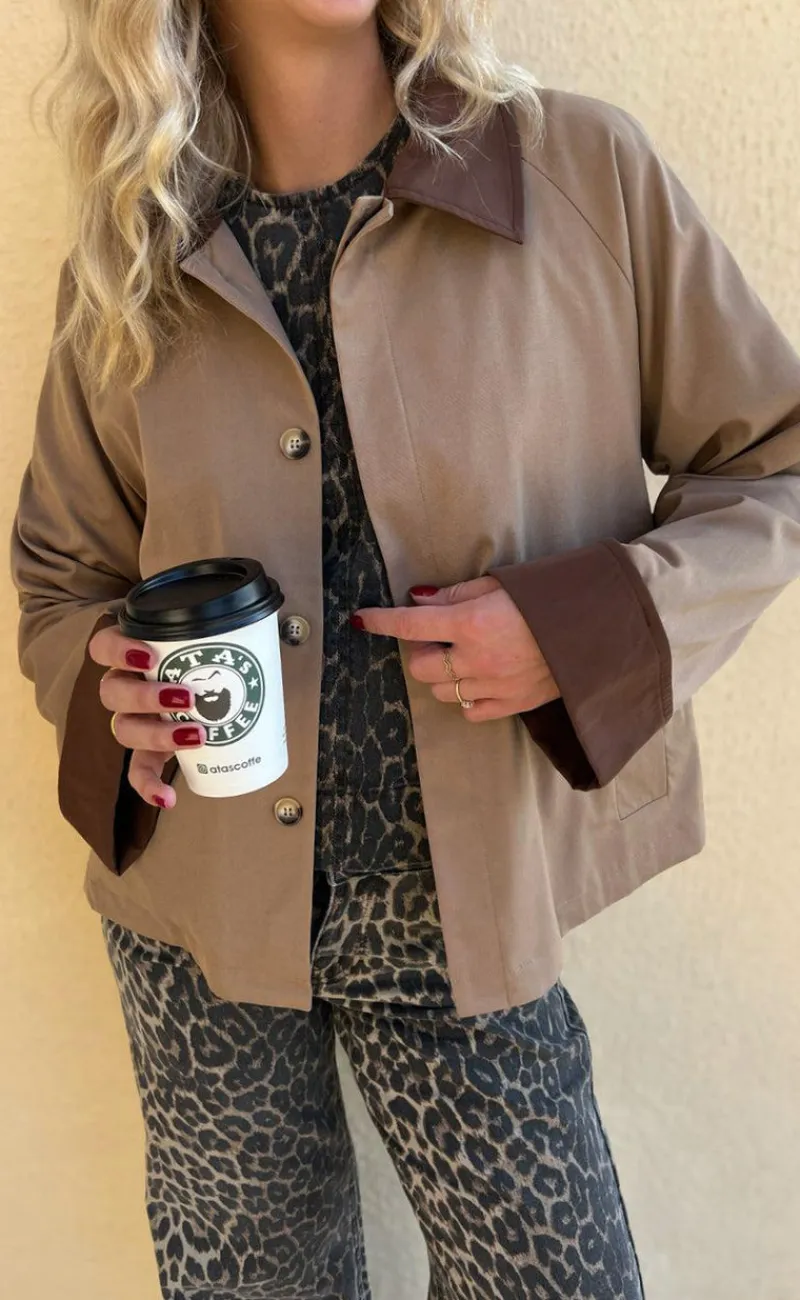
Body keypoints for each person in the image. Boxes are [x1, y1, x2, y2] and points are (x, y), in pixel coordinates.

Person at [10, 0, 800, 1296]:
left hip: (463, 915)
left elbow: (775, 461)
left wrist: (578, 633)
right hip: (203, 926)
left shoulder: (577, 174)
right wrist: (117, 694)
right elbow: (62, 573)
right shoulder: (135, 247)